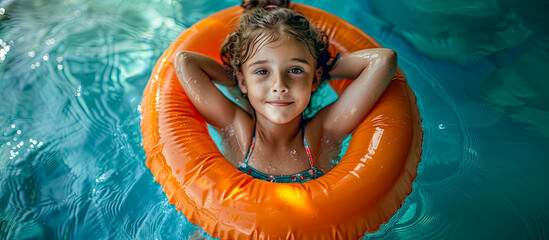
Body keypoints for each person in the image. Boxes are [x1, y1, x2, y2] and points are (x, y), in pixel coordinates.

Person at [174, 0, 396, 183]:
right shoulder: (237, 130)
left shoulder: (322, 134)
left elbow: (383, 60)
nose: (279, 85)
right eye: (262, 71)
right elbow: (185, 61)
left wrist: (319, 72)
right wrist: (239, 79)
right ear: (243, 79)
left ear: (315, 77)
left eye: (295, 69)